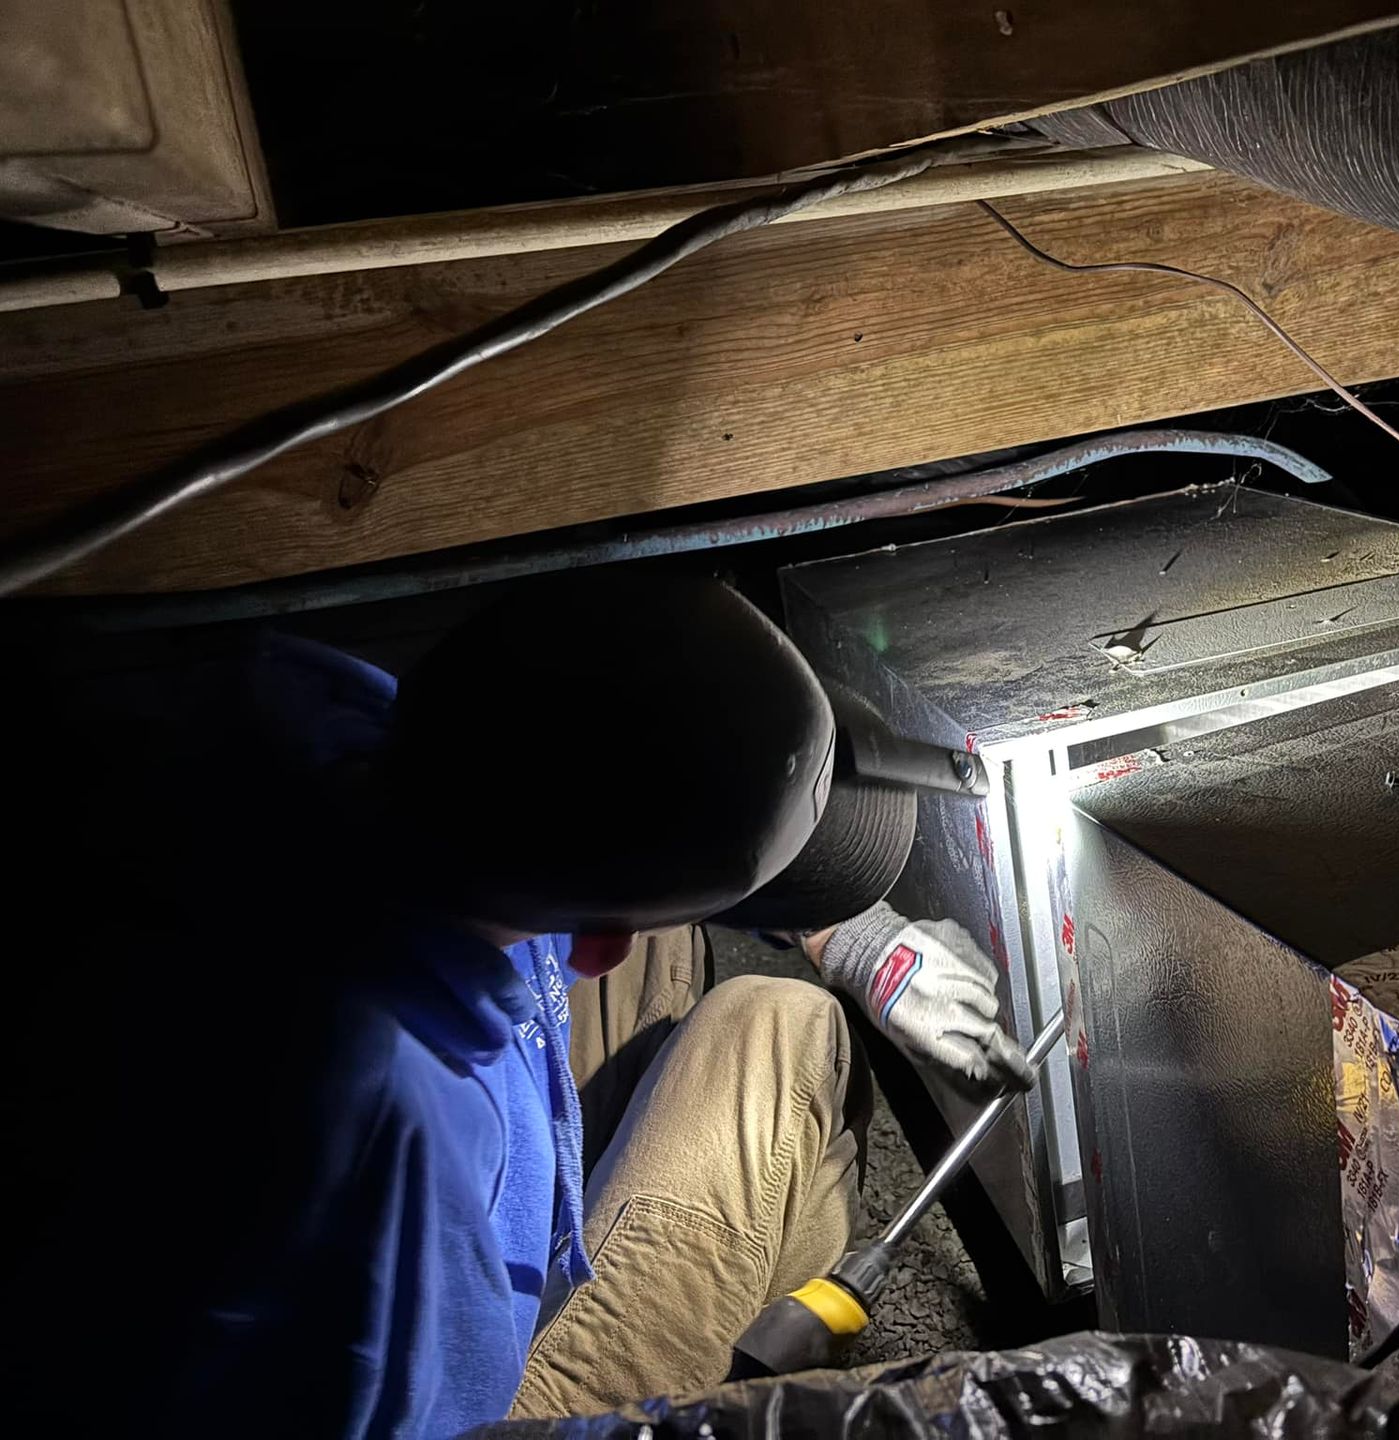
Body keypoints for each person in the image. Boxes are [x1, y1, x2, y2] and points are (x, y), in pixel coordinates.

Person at [20, 574, 1031, 1437]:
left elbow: (629, 775)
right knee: (787, 1033)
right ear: (597, 941)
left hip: (287, 990)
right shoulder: (388, 1147)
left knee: (730, 971)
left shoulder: (303, 712)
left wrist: (838, 932)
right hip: (473, 1403)